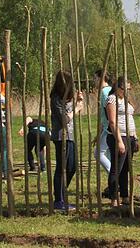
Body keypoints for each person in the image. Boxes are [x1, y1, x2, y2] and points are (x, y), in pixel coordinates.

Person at [50, 71, 84, 211]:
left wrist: (79, 102)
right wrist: (76, 109)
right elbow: (64, 120)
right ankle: (59, 200)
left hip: (70, 136)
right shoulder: (56, 98)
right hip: (61, 136)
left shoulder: (66, 97)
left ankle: (62, 192)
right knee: (62, 168)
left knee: (72, 167)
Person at [105, 76, 138, 207]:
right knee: (117, 168)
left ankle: (124, 196)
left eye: (129, 89)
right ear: (118, 87)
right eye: (125, 89)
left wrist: (135, 137)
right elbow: (112, 122)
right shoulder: (112, 99)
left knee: (126, 169)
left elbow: (130, 119)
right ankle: (114, 198)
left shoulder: (125, 100)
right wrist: (119, 140)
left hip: (129, 136)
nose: (127, 91)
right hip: (119, 136)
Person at [93, 69, 112, 174]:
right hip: (106, 128)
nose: (94, 81)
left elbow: (108, 113)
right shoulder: (109, 90)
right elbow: (103, 116)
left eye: (95, 78)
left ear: (101, 79)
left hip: (109, 129)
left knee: (98, 153)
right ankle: (113, 181)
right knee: (109, 155)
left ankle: (114, 178)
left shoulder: (105, 92)